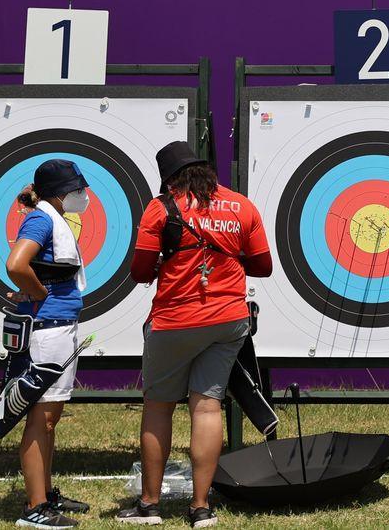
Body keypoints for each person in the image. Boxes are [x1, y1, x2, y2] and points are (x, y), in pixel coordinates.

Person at [117, 143, 272, 528]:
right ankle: (201, 507)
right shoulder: (241, 205)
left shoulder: (162, 208)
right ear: (206, 171)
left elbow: (138, 272)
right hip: (228, 320)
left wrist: (164, 263)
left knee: (158, 407)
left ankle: (150, 505)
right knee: (207, 407)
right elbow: (263, 266)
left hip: (174, 321)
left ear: (170, 179)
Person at [6, 159, 93, 528]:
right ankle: (34, 508)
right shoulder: (42, 219)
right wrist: (39, 294)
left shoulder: (48, 215)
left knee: (50, 419)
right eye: (76, 189)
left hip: (56, 326)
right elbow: (16, 264)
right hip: (48, 330)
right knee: (42, 419)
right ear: (60, 193)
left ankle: (44, 494)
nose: (81, 196)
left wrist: (37, 293)